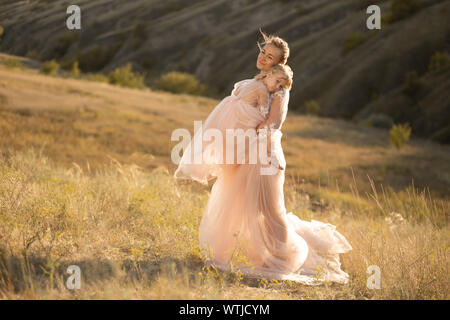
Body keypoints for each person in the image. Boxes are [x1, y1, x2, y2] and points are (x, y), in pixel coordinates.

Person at [174, 30, 352, 285]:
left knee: (269, 210)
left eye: (270, 57)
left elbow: (274, 123)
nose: (263, 58)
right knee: (239, 205)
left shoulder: (280, 90)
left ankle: (284, 258)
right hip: (246, 154)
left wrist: (249, 137)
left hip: (265, 156)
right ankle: (240, 251)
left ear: (279, 65)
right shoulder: (257, 82)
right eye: (262, 52)